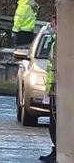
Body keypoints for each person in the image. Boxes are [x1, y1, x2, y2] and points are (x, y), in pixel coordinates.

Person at [39, 15, 57, 162]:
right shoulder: (55, 41)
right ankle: (56, 150)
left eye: (53, 24)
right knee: (53, 122)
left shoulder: (59, 41)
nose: (51, 27)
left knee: (56, 123)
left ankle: (58, 150)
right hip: (54, 87)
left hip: (58, 89)